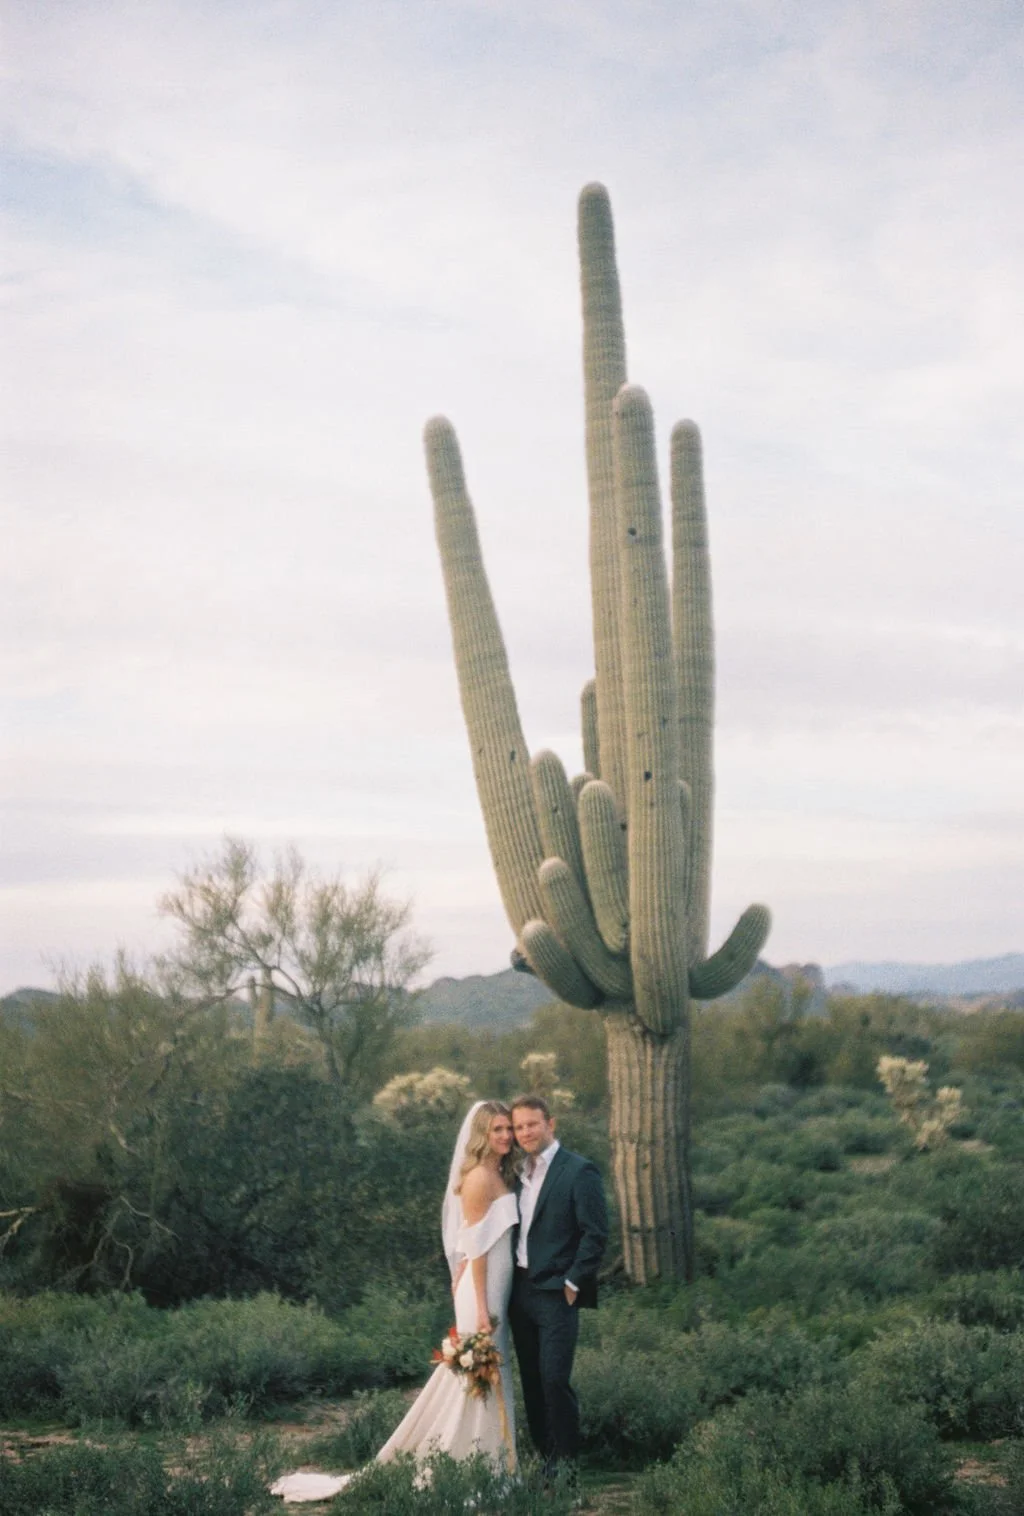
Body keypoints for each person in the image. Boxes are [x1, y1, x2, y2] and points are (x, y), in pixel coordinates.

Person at [270, 1100, 518, 1504]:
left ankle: (493, 1462)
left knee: (488, 1376)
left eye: (508, 1128)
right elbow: (475, 1248)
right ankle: (473, 1463)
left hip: (496, 1289)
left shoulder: (499, 1173)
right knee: (479, 1378)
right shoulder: (477, 1178)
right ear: (481, 1135)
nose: (506, 1136)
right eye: (497, 1130)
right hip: (483, 1292)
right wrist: (480, 1309)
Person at [509, 1094, 608, 1477]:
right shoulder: (518, 1173)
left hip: (556, 1292)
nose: (525, 1132)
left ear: (550, 1124)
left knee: (554, 1379)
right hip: (520, 1292)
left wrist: (572, 1281)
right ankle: (546, 1458)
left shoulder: (579, 1171)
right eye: (519, 1127)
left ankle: (567, 1465)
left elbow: (595, 1233)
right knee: (532, 1380)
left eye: (532, 1124)